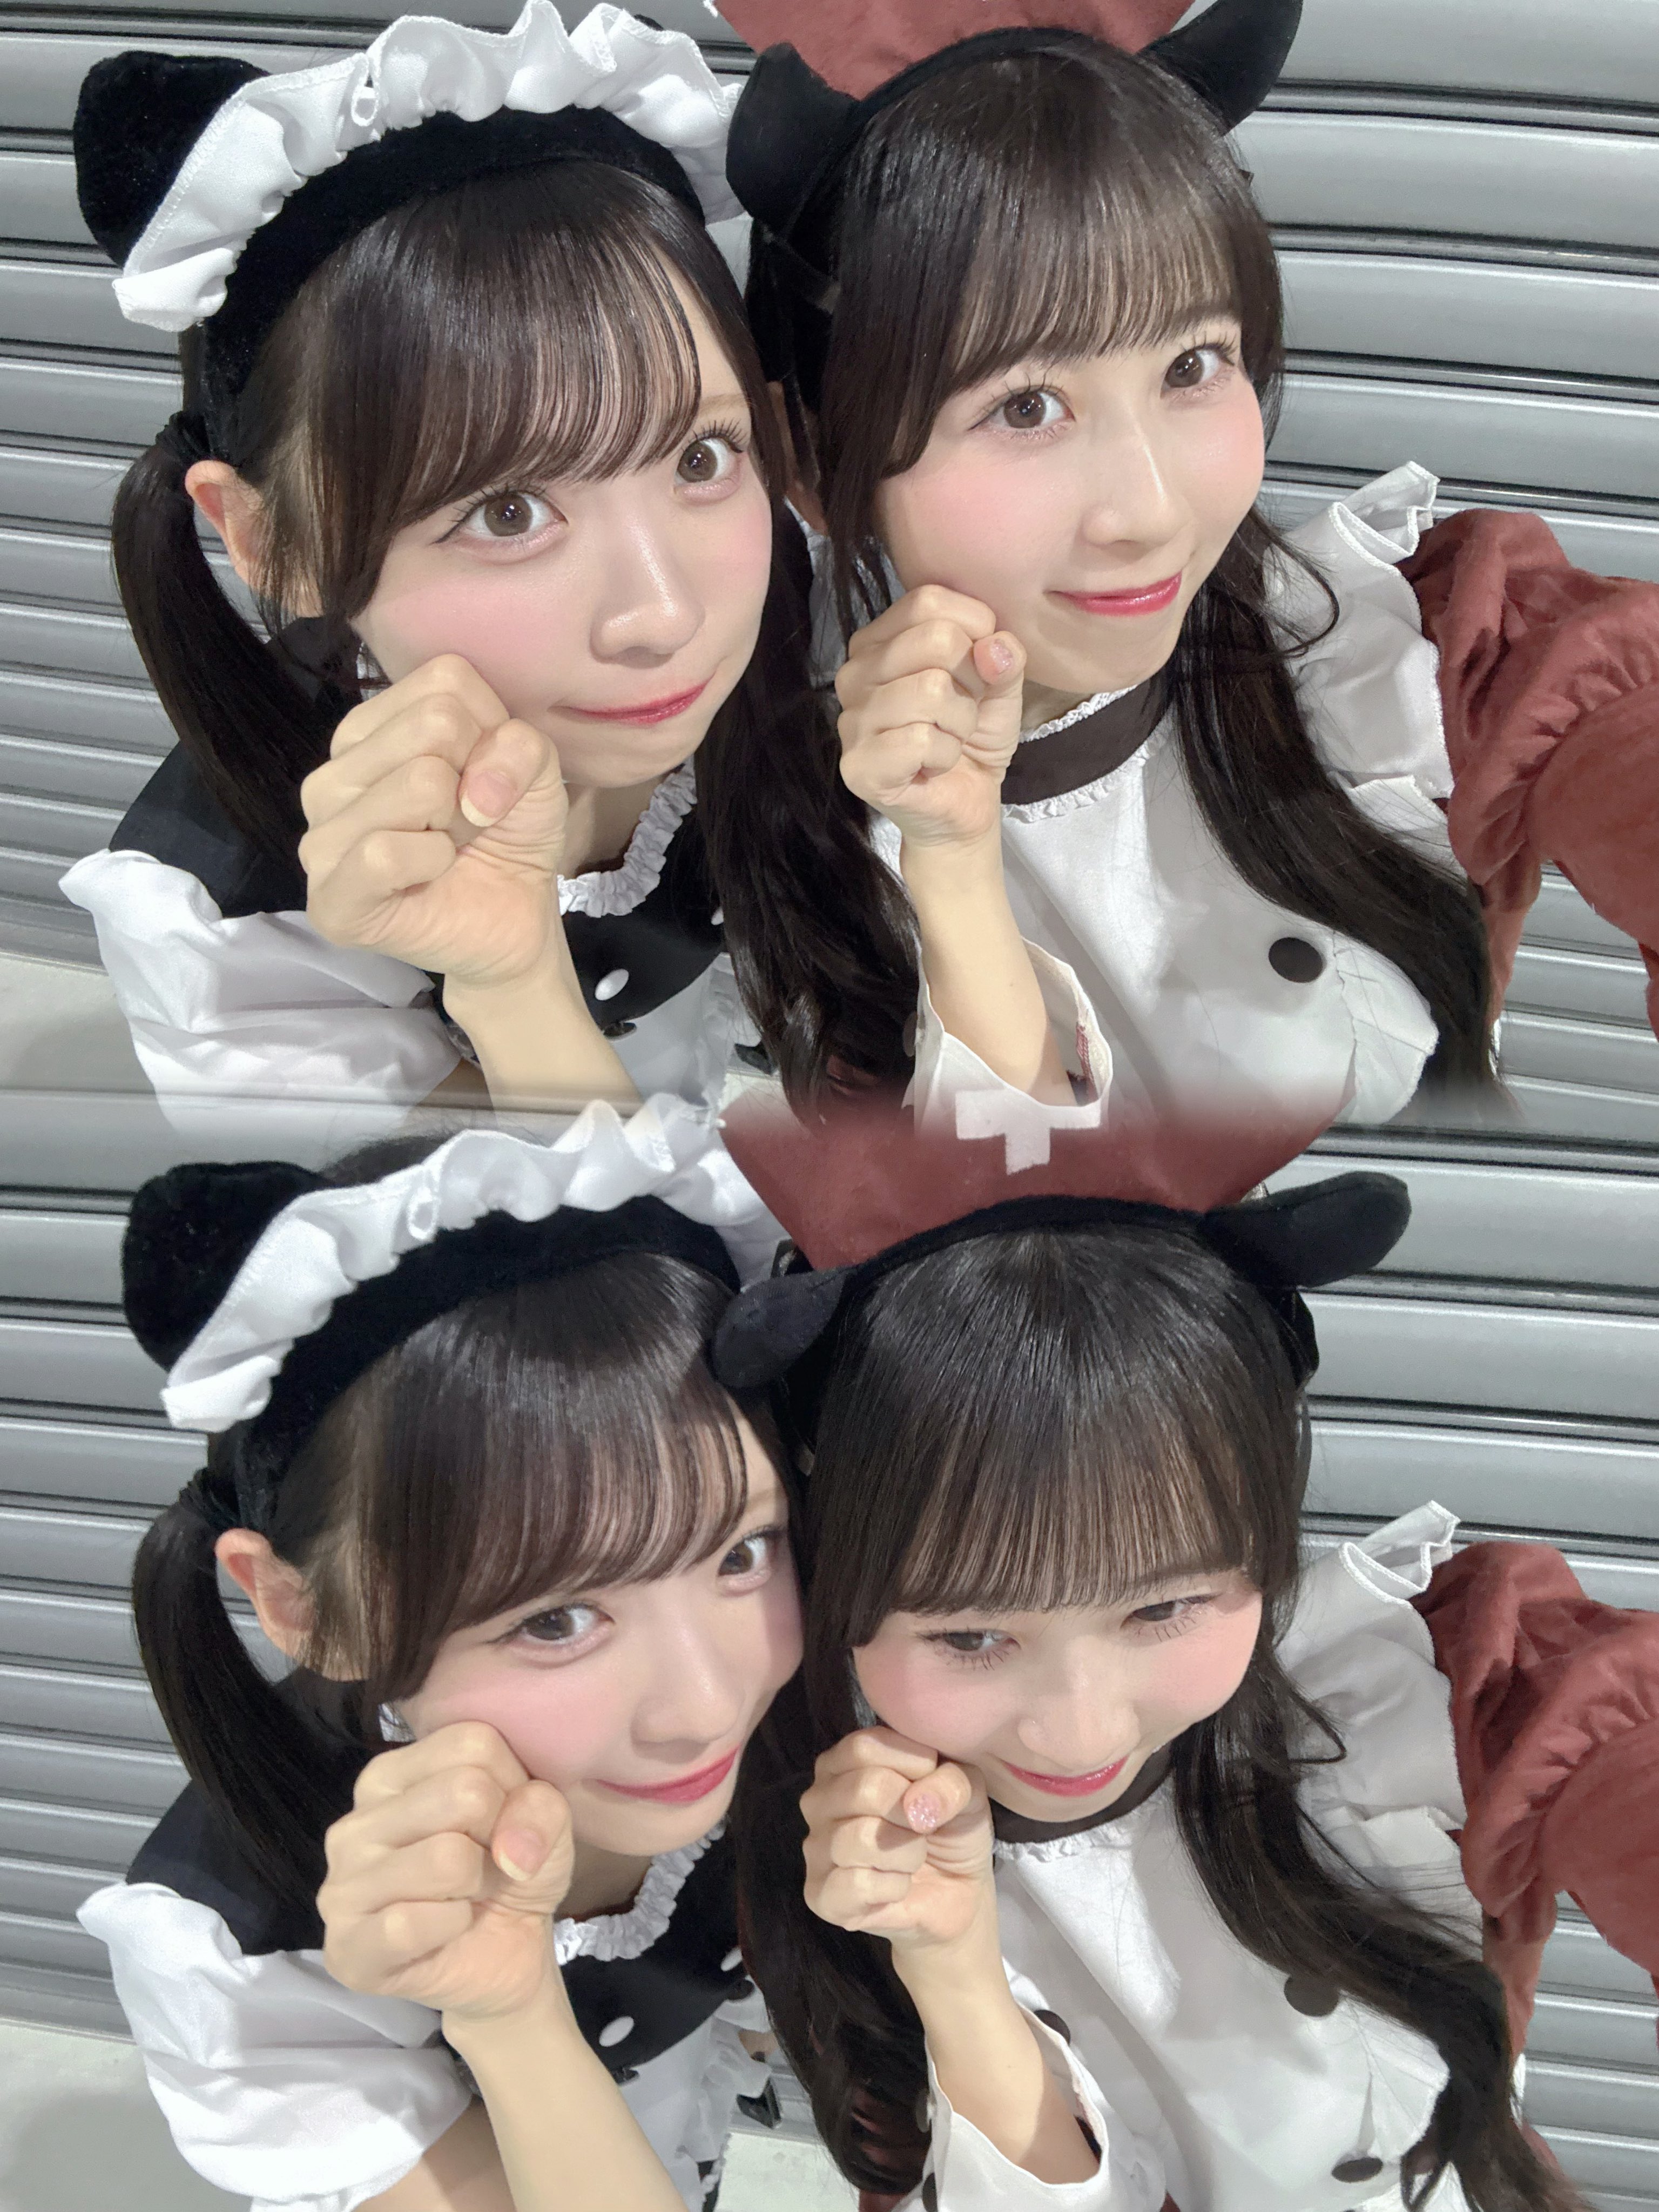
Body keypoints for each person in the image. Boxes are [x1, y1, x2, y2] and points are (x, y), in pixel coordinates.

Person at [714, 0, 1659, 1128]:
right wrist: (953, 870)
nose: (1151, 512)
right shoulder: (746, 798)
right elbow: (1002, 1221)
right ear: (815, 460)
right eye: (1026, 406)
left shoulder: (1411, 657)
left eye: (1193, 365)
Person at [712, 1129, 1659, 2211]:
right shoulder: (842, 1862)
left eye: (1162, 1608)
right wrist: (953, 1969)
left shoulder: (1425, 1687)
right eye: (970, 1637)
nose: (1079, 1730)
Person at [59, 2, 914, 1129]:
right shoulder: (245, 932)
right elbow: (551, 1244)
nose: (663, 612)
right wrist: (512, 992)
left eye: (699, 456)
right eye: (508, 512)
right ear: (272, 540)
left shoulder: (811, 601)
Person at [78, 1107, 800, 2209]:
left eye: (741, 1552)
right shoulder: (254, 1955)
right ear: (301, 1607)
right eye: (556, 1620)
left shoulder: (800, 1699)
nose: (705, 1707)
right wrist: (509, 2019)